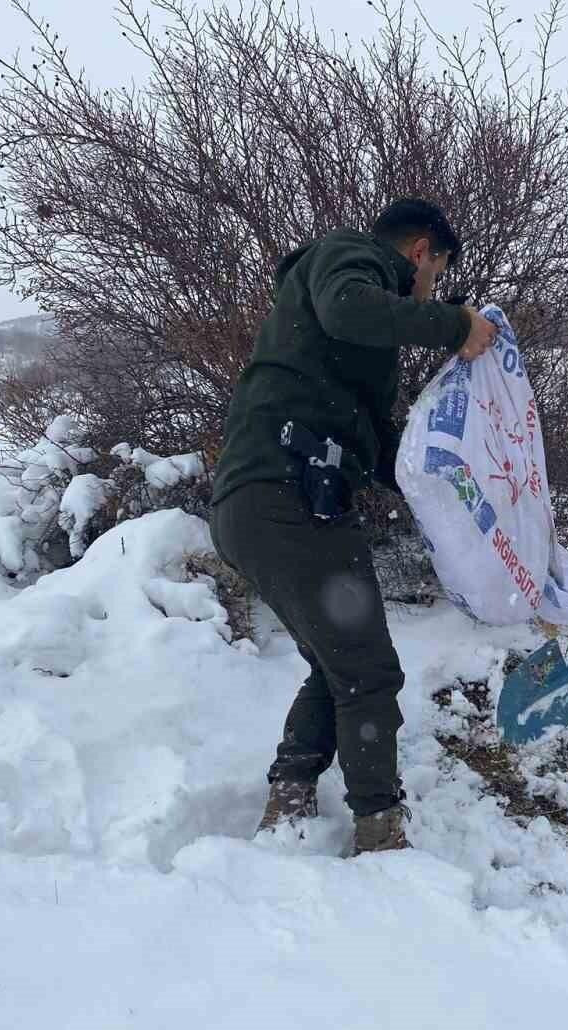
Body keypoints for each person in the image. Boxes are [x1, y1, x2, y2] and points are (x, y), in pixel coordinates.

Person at [209, 198, 497, 852]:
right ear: (422, 250)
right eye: (437, 273)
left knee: (337, 663)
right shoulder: (348, 256)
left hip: (261, 501)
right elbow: (351, 307)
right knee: (369, 672)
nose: (431, 289)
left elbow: (384, 450)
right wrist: (456, 325)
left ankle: (290, 798)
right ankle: (379, 831)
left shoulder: (341, 335)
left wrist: (457, 497)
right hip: (287, 494)